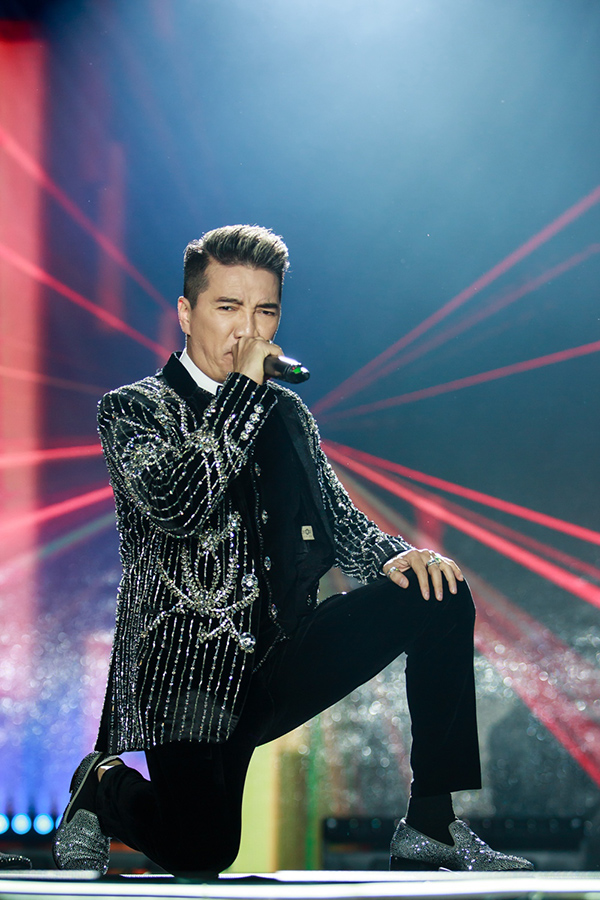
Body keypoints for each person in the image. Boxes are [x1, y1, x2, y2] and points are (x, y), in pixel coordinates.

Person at [52, 225, 532, 876]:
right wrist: (243, 396)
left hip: (282, 653)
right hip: (191, 678)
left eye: (265, 311)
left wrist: (392, 555)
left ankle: (431, 822)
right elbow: (179, 507)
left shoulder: (285, 414)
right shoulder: (134, 410)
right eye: (228, 308)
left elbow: (337, 517)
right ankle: (102, 784)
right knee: (202, 853)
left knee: (439, 590)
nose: (248, 331)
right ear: (187, 313)